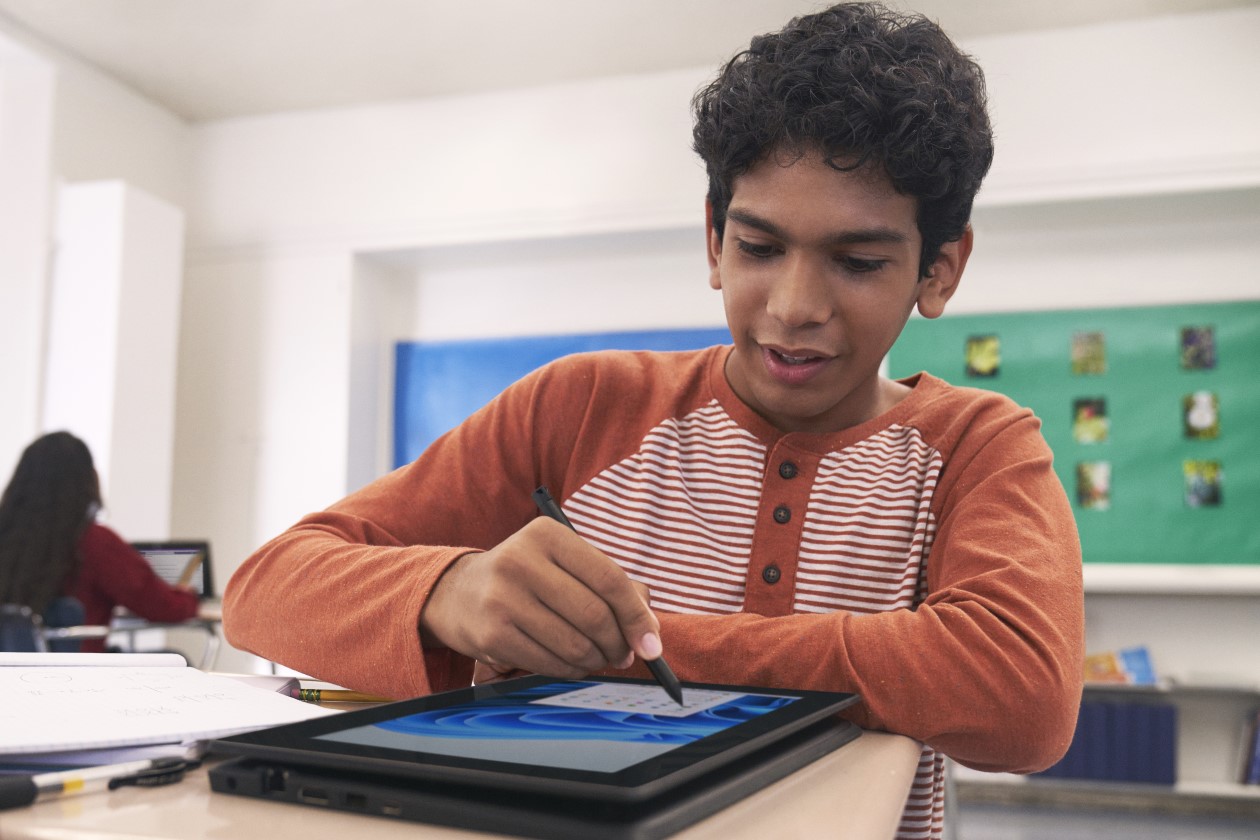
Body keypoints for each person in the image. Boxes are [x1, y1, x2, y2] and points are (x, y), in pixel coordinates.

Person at [223, 4, 1084, 838]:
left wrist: (631, 650)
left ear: (939, 270)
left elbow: (1022, 696)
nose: (793, 307)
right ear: (713, 239)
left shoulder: (978, 446)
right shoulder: (582, 406)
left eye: (857, 262)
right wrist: (450, 592)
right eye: (758, 248)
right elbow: (266, 589)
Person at [0, 431, 199, 652]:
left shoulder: (7, 538)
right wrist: (188, 597)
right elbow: (161, 606)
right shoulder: (93, 542)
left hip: (12, 676)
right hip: (81, 673)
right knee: (174, 657)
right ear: (86, 480)